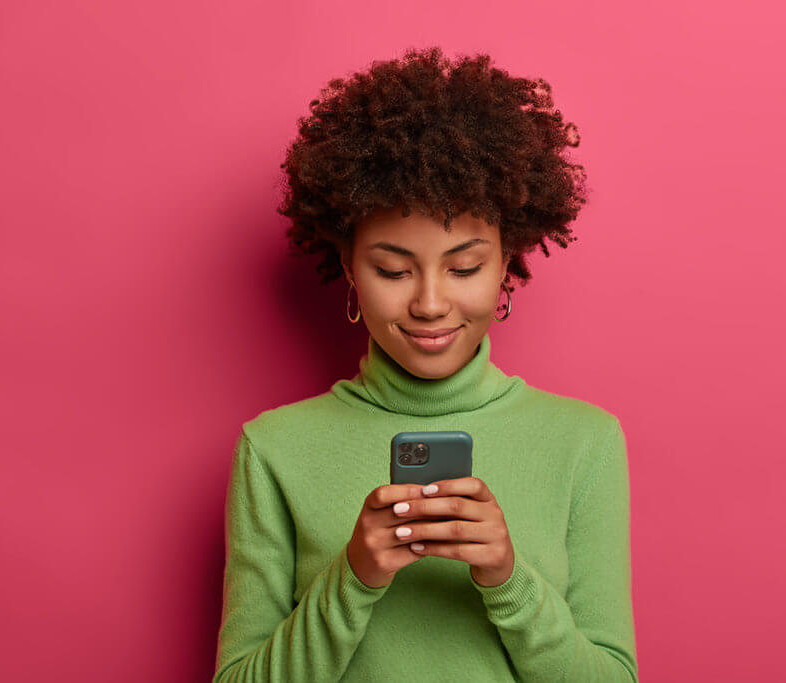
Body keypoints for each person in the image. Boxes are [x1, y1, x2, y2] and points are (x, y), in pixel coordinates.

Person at [212, 46, 638, 682]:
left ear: (507, 265)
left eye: (464, 267)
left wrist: (507, 581)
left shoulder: (585, 442)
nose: (431, 303)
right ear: (349, 266)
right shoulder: (273, 449)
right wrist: (354, 576)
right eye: (392, 269)